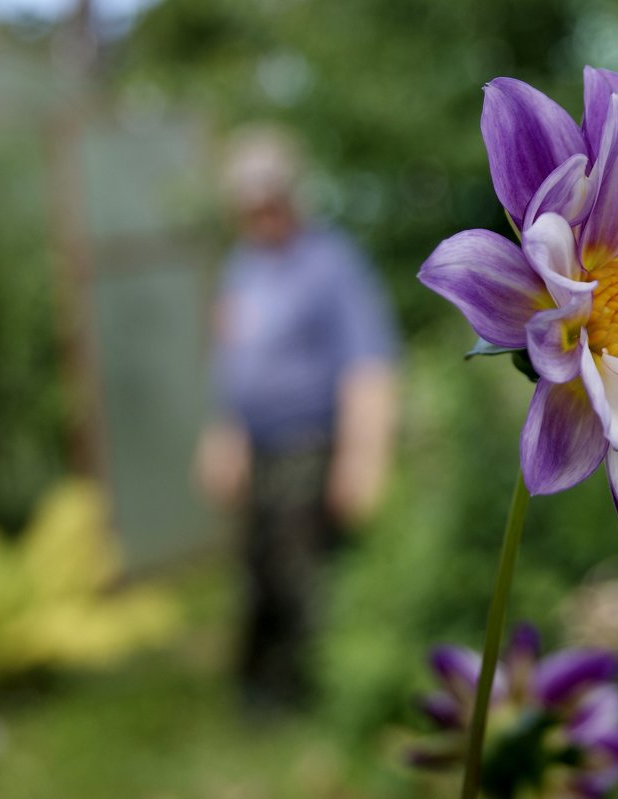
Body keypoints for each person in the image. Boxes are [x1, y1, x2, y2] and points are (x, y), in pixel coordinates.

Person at [194, 126, 399, 715]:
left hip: (309, 446)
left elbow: (368, 364)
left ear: (289, 194)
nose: (259, 213)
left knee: (303, 579)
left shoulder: (331, 264)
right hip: (257, 447)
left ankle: (322, 702)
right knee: (255, 572)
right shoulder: (243, 266)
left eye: (268, 199)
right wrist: (222, 436)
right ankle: (259, 698)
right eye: (247, 203)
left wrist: (363, 458)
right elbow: (235, 362)